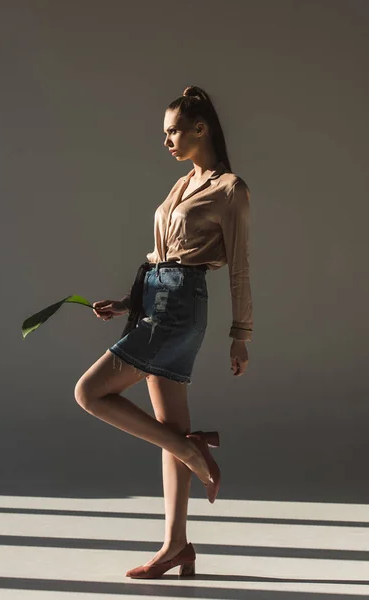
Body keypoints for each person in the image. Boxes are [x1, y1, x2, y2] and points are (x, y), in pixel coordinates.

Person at [74, 85, 253, 579]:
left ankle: (190, 449)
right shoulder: (180, 186)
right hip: (156, 300)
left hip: (178, 307)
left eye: (173, 130)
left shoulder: (230, 189)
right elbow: (163, 256)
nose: (167, 140)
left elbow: (237, 268)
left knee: (88, 392)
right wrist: (128, 302)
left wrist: (242, 333)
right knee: (169, 429)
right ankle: (177, 545)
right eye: (165, 132)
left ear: (201, 129)